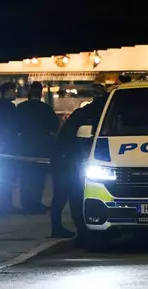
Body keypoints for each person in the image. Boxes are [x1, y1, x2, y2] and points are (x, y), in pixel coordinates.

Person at [50, 83, 109, 243]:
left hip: (70, 158)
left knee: (67, 195)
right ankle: (76, 231)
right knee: (72, 195)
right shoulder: (96, 113)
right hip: (71, 159)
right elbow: (71, 137)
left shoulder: (86, 113)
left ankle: (66, 229)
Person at [16, 81, 60, 214]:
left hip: (24, 147)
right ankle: (35, 203)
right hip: (41, 148)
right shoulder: (46, 108)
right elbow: (54, 125)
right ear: (40, 94)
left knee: (25, 176)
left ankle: (26, 203)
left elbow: (14, 125)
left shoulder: (21, 108)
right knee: (39, 177)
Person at [0, 82, 19, 215]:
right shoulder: (9, 107)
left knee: (2, 175)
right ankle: (6, 206)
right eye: (14, 90)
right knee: (8, 175)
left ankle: (4, 205)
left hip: (0, 144)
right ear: (8, 91)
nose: (15, 93)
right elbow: (14, 126)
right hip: (8, 145)